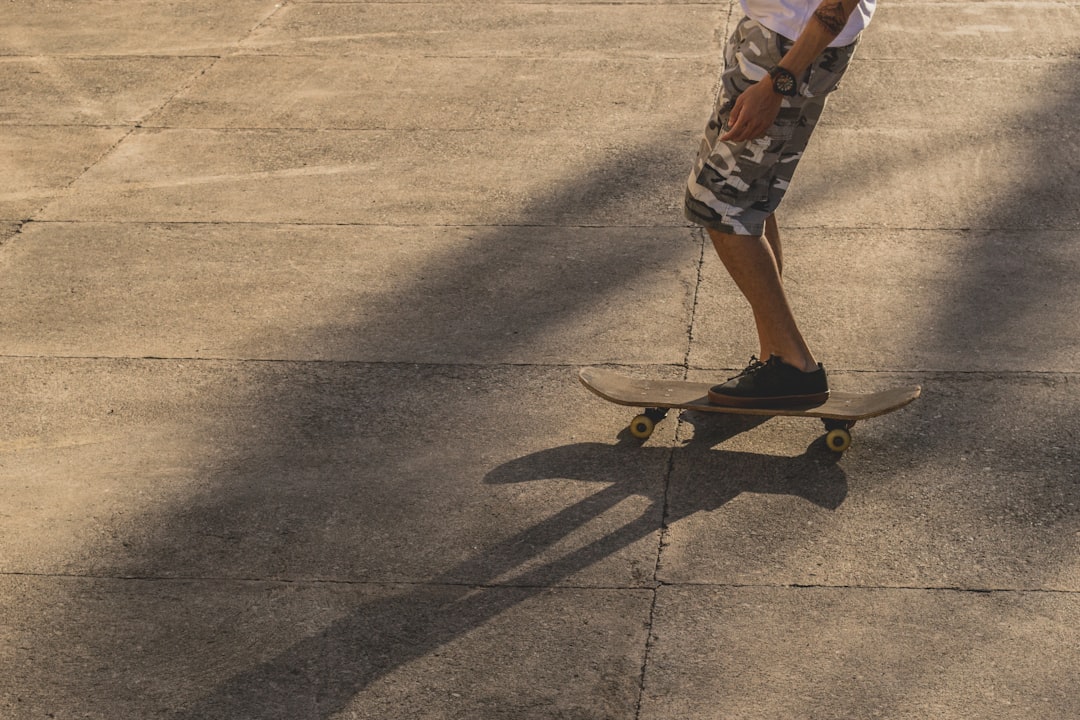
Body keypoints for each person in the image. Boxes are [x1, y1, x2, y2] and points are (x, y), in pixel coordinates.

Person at [685, 0, 875, 408]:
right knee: (753, 200)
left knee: (719, 205)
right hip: (781, 40)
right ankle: (777, 360)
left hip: (788, 51)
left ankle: (794, 364)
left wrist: (777, 83)